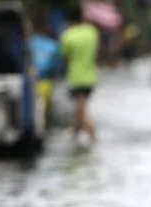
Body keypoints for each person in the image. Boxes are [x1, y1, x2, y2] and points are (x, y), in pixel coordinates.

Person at [60, 6, 99, 144]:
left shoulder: (68, 35)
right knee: (79, 111)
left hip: (76, 78)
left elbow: (64, 55)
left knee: (81, 112)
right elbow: (96, 51)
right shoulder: (92, 32)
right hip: (91, 77)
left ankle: (93, 136)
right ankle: (75, 138)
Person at [30, 18, 62, 122]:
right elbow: (57, 64)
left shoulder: (28, 44)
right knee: (46, 110)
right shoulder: (53, 45)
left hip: (32, 80)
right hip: (47, 80)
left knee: (35, 108)